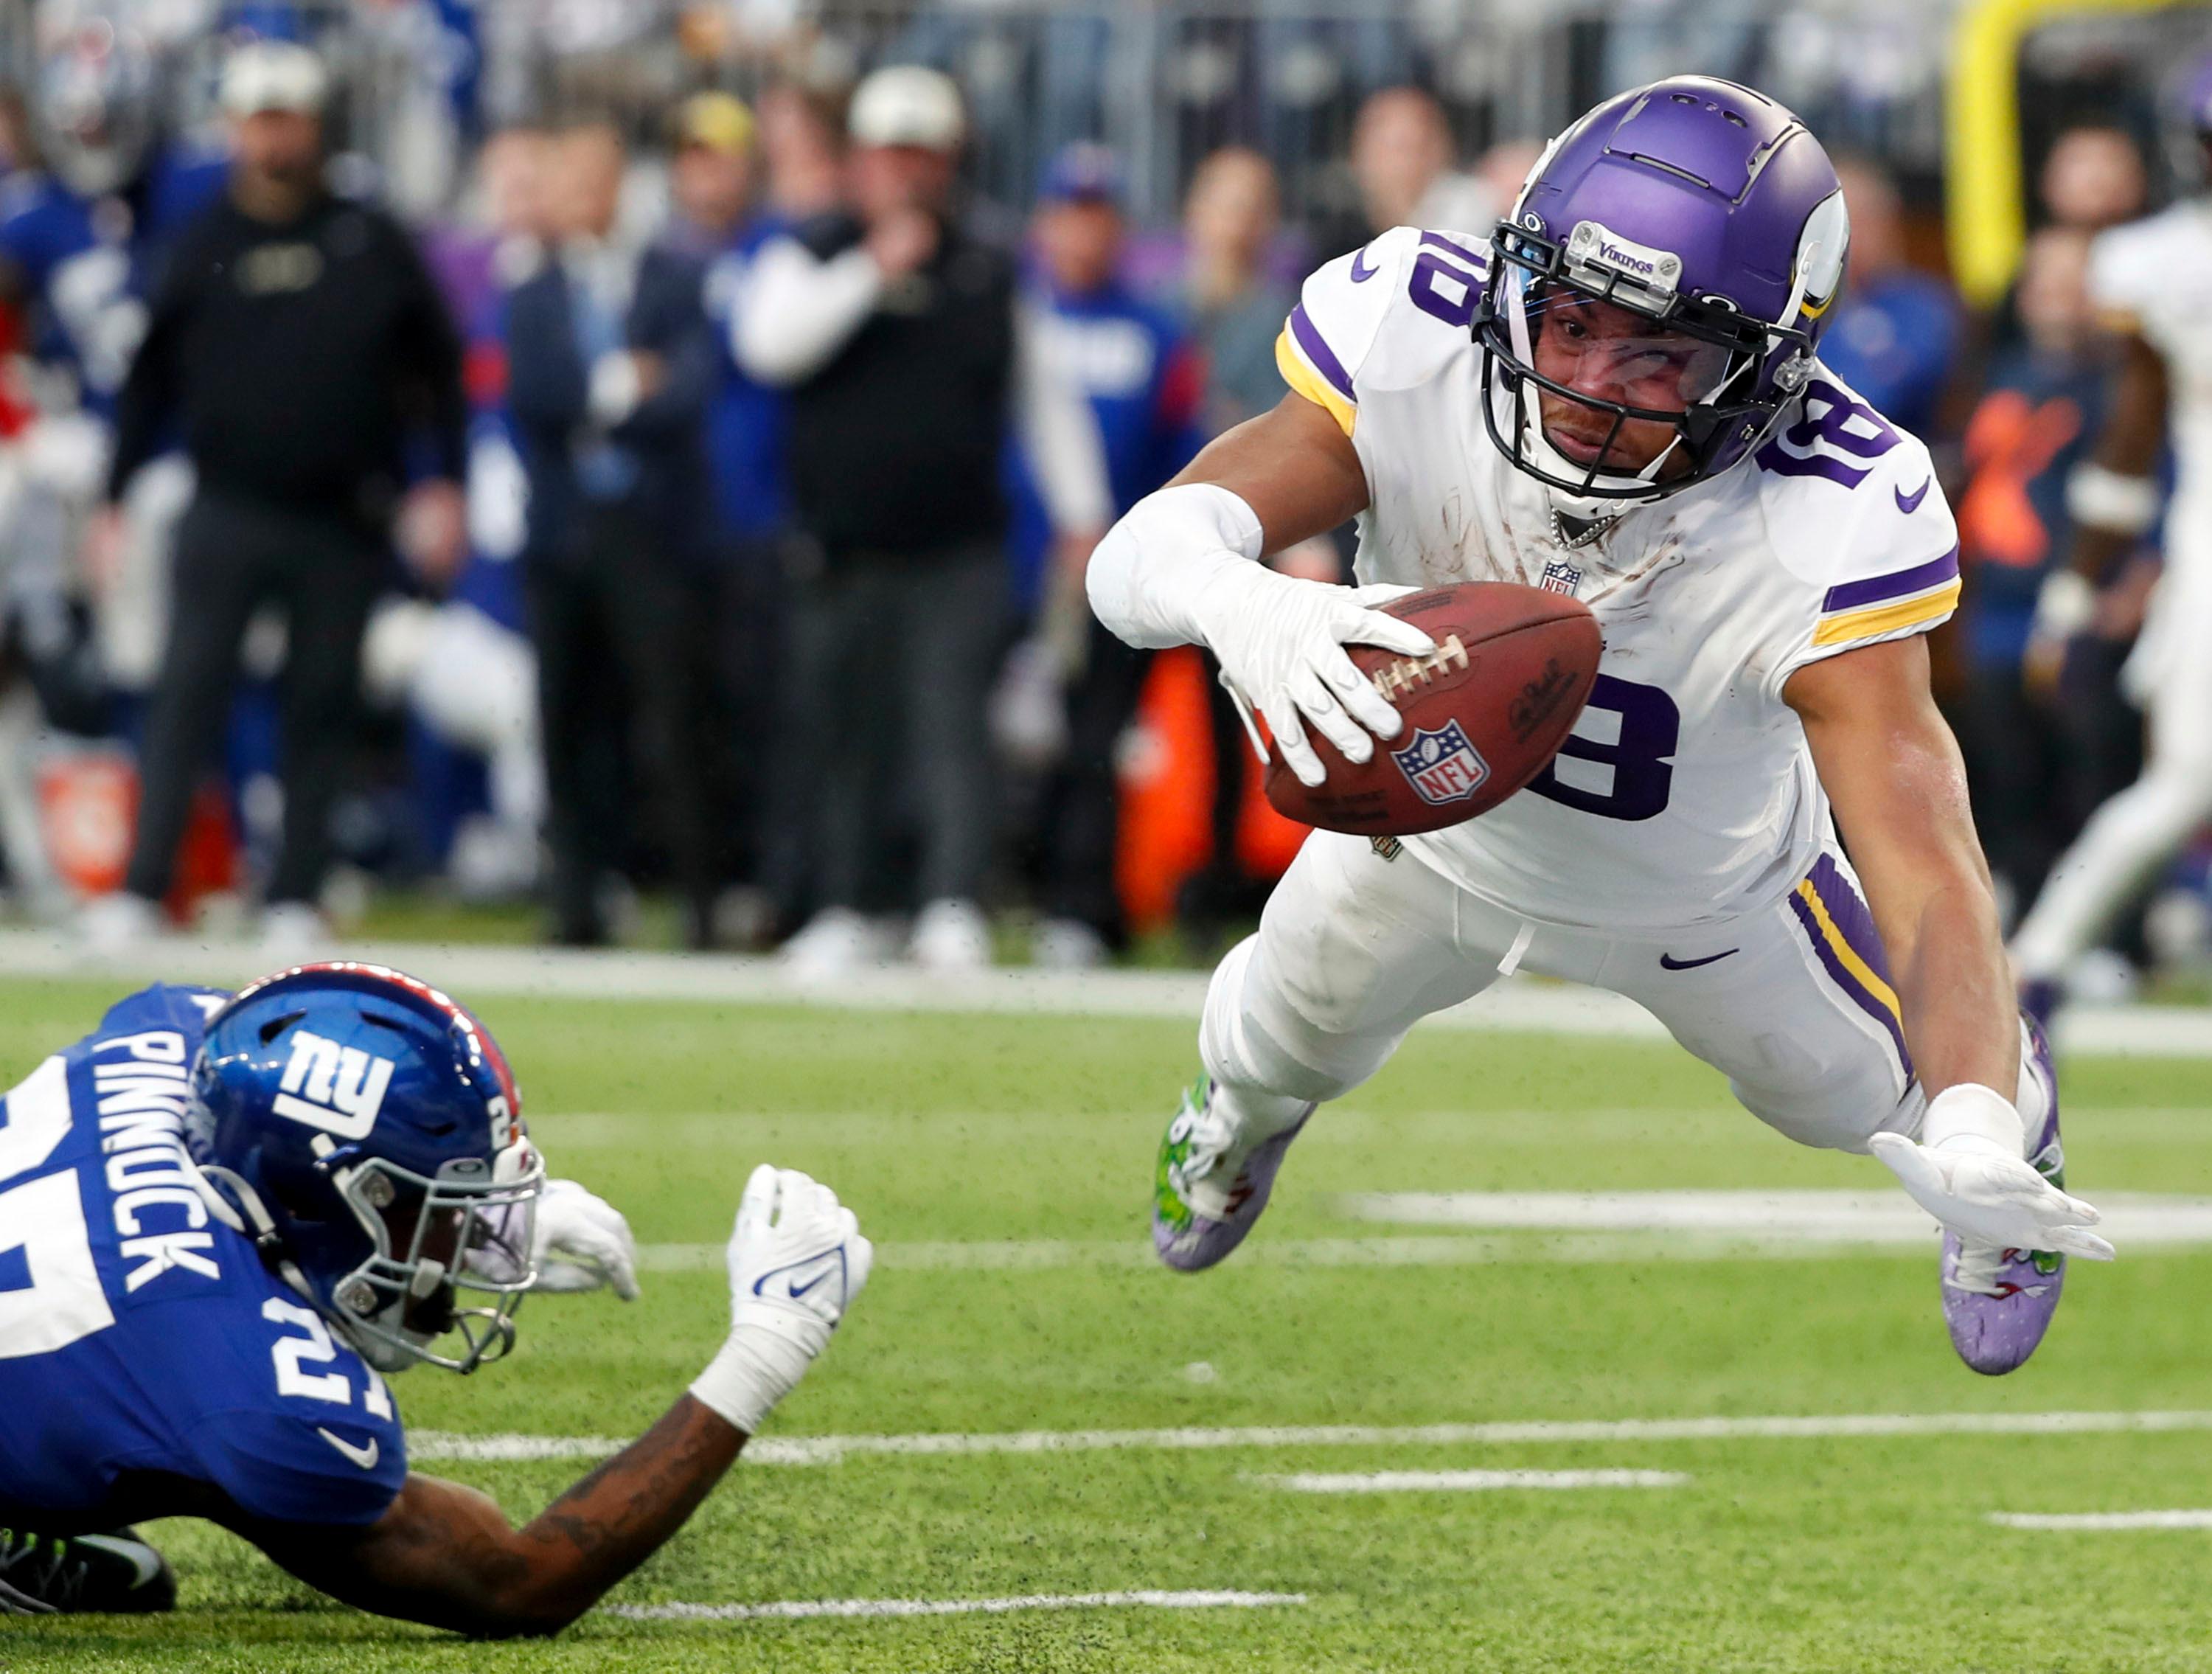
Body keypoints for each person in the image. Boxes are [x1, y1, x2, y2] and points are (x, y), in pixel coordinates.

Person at [1090, 75, 2111, 1379]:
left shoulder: (1835, 506)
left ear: (1769, 364)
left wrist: (1974, 1122)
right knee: (1267, 1042)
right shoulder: (1420, 332)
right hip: (1428, 843)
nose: (1585, 381)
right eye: (1570, 320)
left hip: (1715, 903)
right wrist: (1247, 607)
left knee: (1892, 1106)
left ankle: (2017, 1118)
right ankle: (1239, 1119)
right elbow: (1136, 561)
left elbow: (1922, 852)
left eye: (1658, 355)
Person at [0, 962, 871, 1631]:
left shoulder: (172, 1045)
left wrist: (472, 1211)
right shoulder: (236, 1380)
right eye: (435, 1206)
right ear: (316, 1196)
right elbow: (517, 1579)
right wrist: (767, 1343)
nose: (465, 1243)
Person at [80, 41, 470, 956]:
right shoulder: (205, 236)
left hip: (343, 511)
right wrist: (112, 497)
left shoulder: (368, 235)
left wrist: (442, 479)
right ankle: (146, 885)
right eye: (259, 119)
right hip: (228, 504)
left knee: (322, 707)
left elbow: (440, 368)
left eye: (287, 117)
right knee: (188, 695)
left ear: (315, 123)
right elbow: (148, 383)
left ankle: (297, 887)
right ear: (236, 128)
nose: (274, 136)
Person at [734, 66, 1107, 976]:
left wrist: (1082, 510)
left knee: (952, 732)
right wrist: (872, 269)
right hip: (841, 540)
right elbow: (767, 346)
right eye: (890, 153)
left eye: (922, 154)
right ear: (862, 158)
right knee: (844, 730)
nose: (905, 171)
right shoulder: (813, 246)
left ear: (947, 161)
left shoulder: (986, 262)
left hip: (957, 541)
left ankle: (950, 902)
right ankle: (850, 901)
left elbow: (1042, 394)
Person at [2011, 64, 2212, 1027]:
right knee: (2184, 781)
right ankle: (2035, 964)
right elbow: (2130, 439)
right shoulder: (2157, 259)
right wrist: (2075, 591)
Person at [504, 119, 720, 948]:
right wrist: (622, 382)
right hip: (564, 533)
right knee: (567, 719)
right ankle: (575, 900)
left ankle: (698, 899)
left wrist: (611, 395)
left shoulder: (670, 275)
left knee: (672, 715)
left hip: (653, 529)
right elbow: (538, 395)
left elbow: (691, 386)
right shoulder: (532, 288)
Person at [1015, 145, 1207, 968]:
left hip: (1108, 570)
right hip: (1007, 556)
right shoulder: (1012, 313)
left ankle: (1080, 904)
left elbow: (1187, 447)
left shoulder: (1154, 331)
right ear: (1044, 224)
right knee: (987, 737)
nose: (1083, 232)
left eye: (1098, 215)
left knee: (1095, 737)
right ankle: (984, 887)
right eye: (1070, 213)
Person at [1948, 227, 2116, 920]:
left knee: (2083, 759)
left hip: (2077, 598)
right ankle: (2015, 890)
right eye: (2044, 278)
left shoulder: (2118, 383)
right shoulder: (1996, 370)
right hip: (1996, 600)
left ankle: (2099, 919)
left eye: (2073, 279)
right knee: (1999, 756)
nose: (2057, 294)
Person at [1817, 156, 1961, 442]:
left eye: (1865, 218)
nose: (1853, 232)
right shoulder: (1786, 303)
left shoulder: (1924, 305)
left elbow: (1887, 396)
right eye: (1841, 218)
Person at [1312, 86, 1498, 265]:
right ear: (1358, 156)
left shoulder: (1479, 234)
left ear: (1445, 151)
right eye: (1395, 146)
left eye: (1417, 146)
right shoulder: (1335, 249)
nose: (1406, 164)